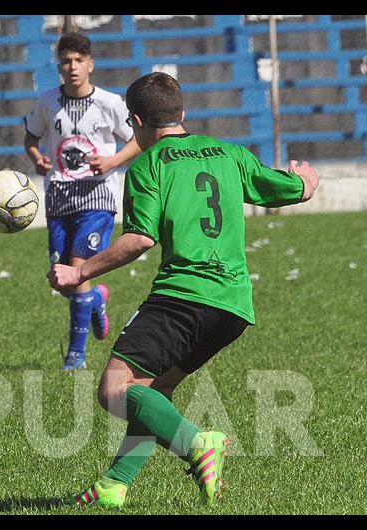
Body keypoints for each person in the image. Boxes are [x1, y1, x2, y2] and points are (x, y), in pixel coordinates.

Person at [49, 71, 319, 508]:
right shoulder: (231, 154)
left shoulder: (149, 166)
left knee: (114, 388)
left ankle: (197, 442)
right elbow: (287, 190)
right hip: (234, 307)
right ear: (183, 113)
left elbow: (139, 240)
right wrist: (306, 183)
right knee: (152, 393)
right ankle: (116, 483)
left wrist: (79, 274)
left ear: (135, 121)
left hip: (182, 296)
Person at [24, 32, 142, 371]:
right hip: (59, 196)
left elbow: (137, 140)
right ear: (59, 66)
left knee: (77, 270)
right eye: (65, 61)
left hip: (97, 196)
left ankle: (76, 355)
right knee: (60, 279)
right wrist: (37, 158)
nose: (72, 67)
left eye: (78, 61)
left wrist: (113, 161)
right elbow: (31, 137)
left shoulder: (109, 103)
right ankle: (96, 301)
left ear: (90, 64)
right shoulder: (47, 102)